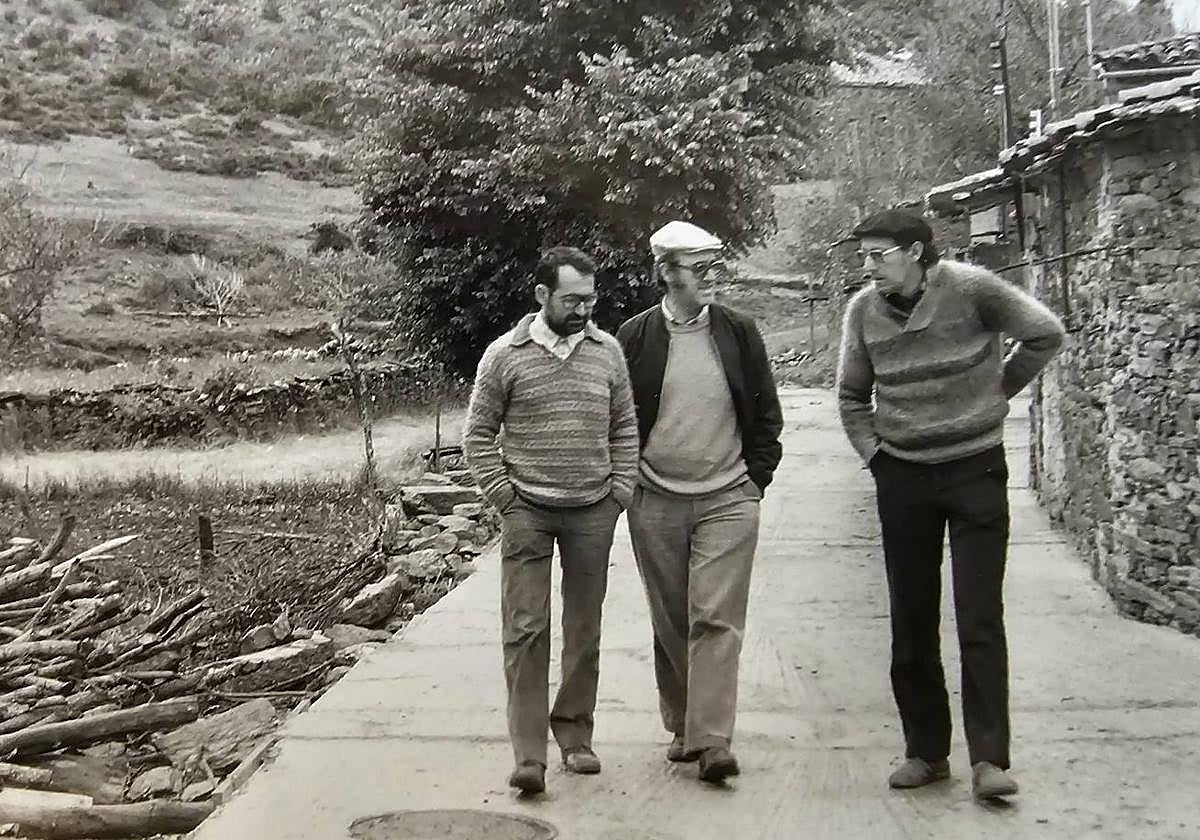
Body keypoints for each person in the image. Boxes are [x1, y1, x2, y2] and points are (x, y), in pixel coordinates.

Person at [835, 208, 1065, 800]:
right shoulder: (863, 311)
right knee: (911, 620)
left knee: (979, 617)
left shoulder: (971, 289)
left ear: (914, 251)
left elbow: (1045, 333)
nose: (867, 267)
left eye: (877, 255)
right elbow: (852, 396)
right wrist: (876, 457)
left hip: (976, 471)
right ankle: (926, 753)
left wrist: (992, 393)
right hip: (904, 477)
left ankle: (990, 760)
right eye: (862, 256)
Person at [463, 246, 639, 795]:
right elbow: (477, 436)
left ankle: (576, 739)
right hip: (528, 514)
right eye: (572, 299)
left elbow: (625, 428)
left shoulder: (608, 352)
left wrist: (619, 494)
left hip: (593, 511)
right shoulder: (503, 355)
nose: (584, 309)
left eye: (590, 299)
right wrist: (506, 500)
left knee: (584, 631)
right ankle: (529, 756)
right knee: (525, 630)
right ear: (541, 296)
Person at [616, 220, 783, 784]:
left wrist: (754, 479)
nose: (713, 278)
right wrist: (629, 481)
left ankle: (712, 739)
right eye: (699, 268)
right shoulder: (634, 338)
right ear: (666, 273)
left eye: (718, 265)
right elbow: (618, 420)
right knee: (672, 616)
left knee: (714, 617)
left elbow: (767, 413)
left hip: (728, 497)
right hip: (655, 497)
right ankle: (684, 725)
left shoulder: (739, 331)